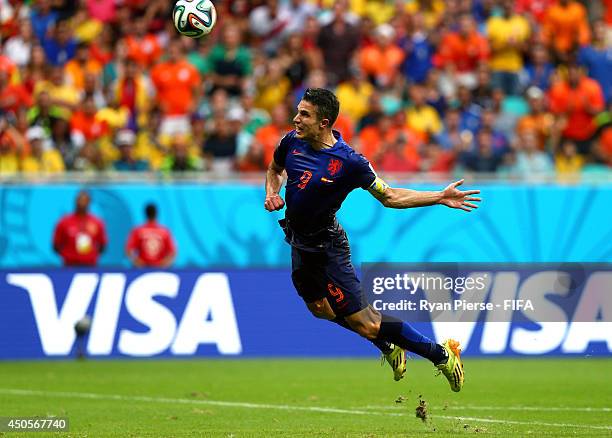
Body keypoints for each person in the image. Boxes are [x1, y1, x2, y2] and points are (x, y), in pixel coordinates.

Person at [264, 88, 481, 392]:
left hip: (327, 247)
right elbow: (275, 170)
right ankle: (389, 346)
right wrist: (272, 192)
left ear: (324, 122)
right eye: (298, 111)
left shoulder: (349, 161)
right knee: (320, 309)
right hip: (300, 242)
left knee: (366, 322)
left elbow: (389, 196)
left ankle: (442, 354)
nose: (295, 119)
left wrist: (439, 196)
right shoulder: (291, 142)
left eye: (304, 114)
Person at [53, 190, 107, 266]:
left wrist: (90, 256)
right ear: (75, 201)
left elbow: (102, 246)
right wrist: (68, 255)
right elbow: (56, 245)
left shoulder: (97, 222)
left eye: (85, 200)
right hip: (69, 264)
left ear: (89, 202)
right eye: (80, 200)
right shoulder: (64, 222)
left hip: (90, 265)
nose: (82, 203)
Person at [126, 203, 176, 268]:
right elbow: (173, 252)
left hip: (142, 269)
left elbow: (129, 250)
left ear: (145, 214)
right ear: (156, 214)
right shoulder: (165, 231)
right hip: (160, 269)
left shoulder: (138, 231)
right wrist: (164, 264)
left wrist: (138, 262)